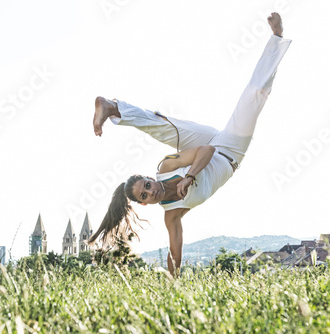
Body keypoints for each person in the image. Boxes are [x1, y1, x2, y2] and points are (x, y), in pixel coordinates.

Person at [88, 13, 291, 277]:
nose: (151, 191)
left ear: (150, 178)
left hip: (206, 148)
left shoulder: (165, 167)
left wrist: (189, 177)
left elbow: (206, 150)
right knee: (256, 96)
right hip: (230, 150)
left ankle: (113, 107)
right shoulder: (171, 215)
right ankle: (275, 41)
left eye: (147, 185)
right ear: (146, 204)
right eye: (145, 195)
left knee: (165, 127)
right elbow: (175, 252)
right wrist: (172, 284)